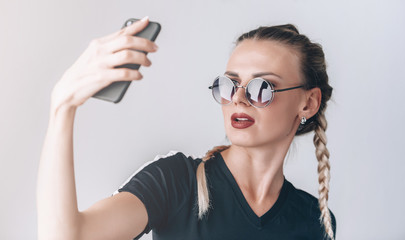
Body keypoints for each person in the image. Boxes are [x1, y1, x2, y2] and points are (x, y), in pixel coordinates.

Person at [37, 16, 337, 240]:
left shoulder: (315, 221)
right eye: (230, 84)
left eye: (263, 87)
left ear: (308, 103)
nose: (239, 98)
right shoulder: (177, 181)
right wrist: (61, 108)